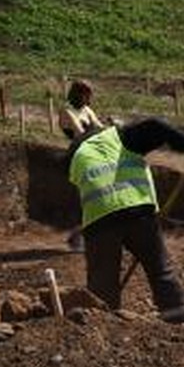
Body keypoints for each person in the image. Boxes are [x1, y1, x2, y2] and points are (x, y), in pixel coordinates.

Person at [67, 117, 184, 322]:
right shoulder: (118, 136)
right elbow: (156, 126)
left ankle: (103, 319)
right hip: (138, 210)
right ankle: (175, 309)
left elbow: (82, 191)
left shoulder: (75, 154)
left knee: (102, 276)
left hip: (99, 218)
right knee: (158, 264)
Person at [61, 80, 108, 251]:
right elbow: (80, 134)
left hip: (90, 153)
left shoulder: (86, 110)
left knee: (95, 195)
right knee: (81, 197)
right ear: (78, 94)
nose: (89, 98)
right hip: (76, 155)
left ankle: (87, 235)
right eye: (86, 94)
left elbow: (100, 128)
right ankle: (76, 238)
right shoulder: (66, 110)